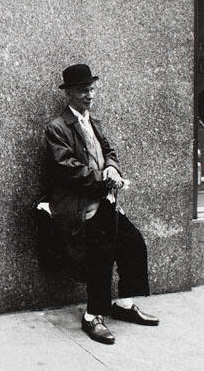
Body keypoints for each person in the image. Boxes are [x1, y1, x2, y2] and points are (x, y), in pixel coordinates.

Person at [44, 63, 159, 344]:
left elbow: (109, 150)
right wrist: (102, 179)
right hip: (79, 205)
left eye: (92, 89)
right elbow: (66, 168)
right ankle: (92, 316)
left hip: (103, 201)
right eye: (84, 90)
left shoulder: (93, 122)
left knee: (133, 244)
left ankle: (124, 305)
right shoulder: (57, 128)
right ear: (69, 93)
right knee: (101, 258)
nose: (90, 95)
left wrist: (112, 169)